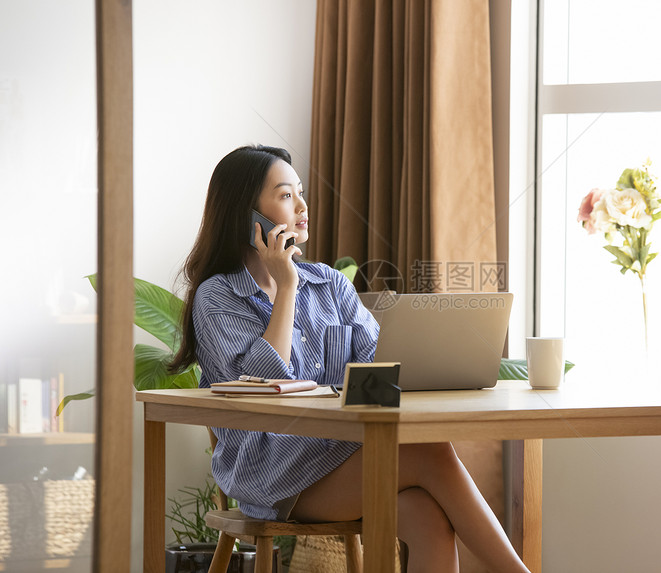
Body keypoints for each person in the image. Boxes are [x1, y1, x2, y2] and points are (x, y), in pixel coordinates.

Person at [170, 144, 530, 573]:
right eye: (286, 196)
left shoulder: (329, 285)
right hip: (272, 475)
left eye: (300, 192)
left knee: (426, 517)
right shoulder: (218, 296)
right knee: (430, 453)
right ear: (248, 216)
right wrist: (285, 288)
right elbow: (265, 385)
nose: (303, 205)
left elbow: (381, 369)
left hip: (340, 454)